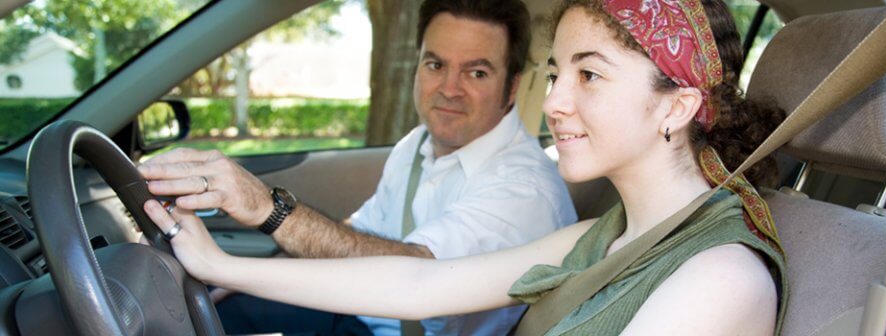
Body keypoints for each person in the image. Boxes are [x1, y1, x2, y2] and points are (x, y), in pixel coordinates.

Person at [143, 0, 789, 334]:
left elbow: (417, 280)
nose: (556, 104)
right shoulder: (601, 238)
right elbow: (419, 288)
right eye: (560, 73)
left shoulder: (723, 274)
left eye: (589, 75)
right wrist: (221, 267)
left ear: (677, 106)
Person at [138, 0, 577, 335]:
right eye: (435, 64)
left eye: (477, 73)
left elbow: (420, 275)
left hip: (386, 324)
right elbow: (359, 230)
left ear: (512, 85)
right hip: (353, 314)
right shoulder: (418, 144)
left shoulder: (525, 189)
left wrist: (264, 211)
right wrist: (257, 274)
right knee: (202, 314)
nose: (449, 89)